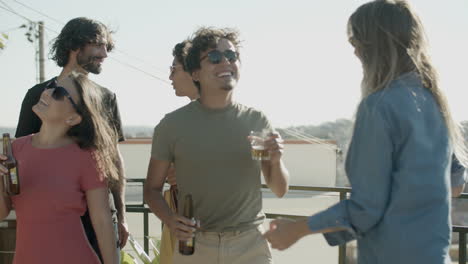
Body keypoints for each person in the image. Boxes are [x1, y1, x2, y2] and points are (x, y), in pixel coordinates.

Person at [263, 1, 467, 263]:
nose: (354, 51)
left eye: (354, 40)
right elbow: (456, 183)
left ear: (373, 45)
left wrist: (296, 230)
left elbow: (365, 210)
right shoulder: (433, 102)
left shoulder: (379, 107)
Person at [144, 27, 290, 264]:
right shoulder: (172, 125)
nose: (225, 62)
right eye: (214, 57)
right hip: (194, 247)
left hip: (250, 245)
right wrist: (171, 220)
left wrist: (276, 160)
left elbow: (280, 189)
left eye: (232, 56)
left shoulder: (256, 120)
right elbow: (151, 190)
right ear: (195, 73)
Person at [14, 17, 128, 262]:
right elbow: (22, 158)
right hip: (55, 221)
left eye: (107, 46)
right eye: (98, 44)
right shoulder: (38, 96)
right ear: (74, 45)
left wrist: (122, 213)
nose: (105, 53)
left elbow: (113, 159)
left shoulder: (106, 97)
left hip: (100, 216)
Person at [0, 73, 119, 263]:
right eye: (51, 86)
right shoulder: (15, 149)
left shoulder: (87, 156)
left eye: (59, 92)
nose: (47, 92)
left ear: (73, 118)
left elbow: (102, 221)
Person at [159, 39, 199, 264]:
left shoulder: (232, 120)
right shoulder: (173, 123)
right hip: (181, 223)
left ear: (195, 72)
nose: (170, 77)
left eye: (174, 69)